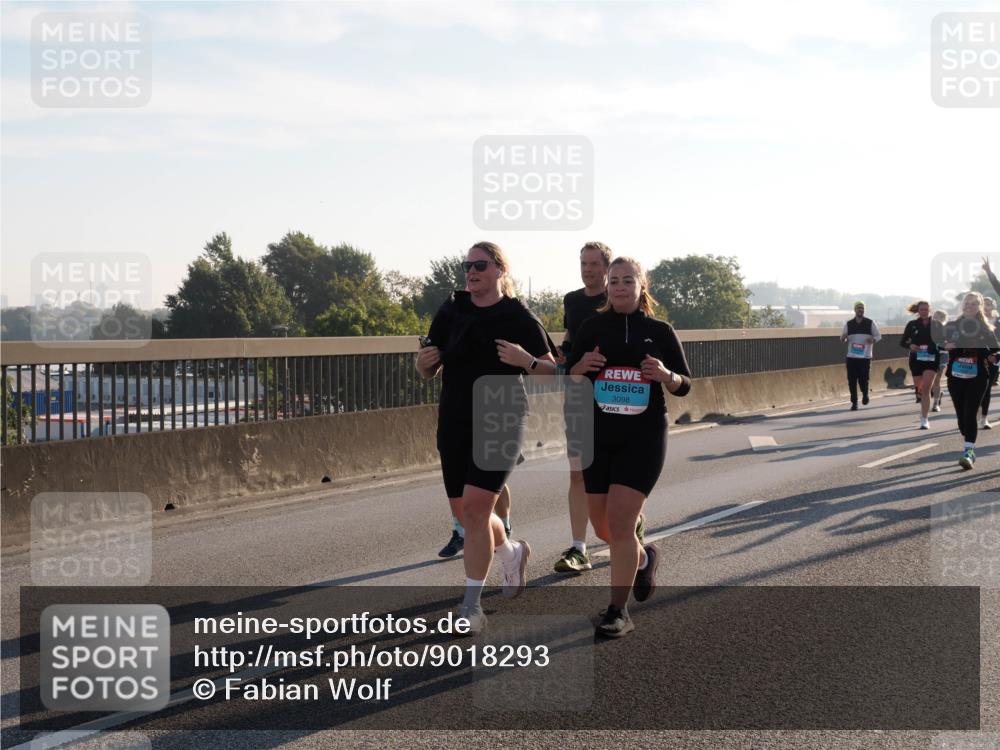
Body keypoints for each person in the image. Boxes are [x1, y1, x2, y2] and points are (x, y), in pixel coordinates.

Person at [415, 241, 558, 632]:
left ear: (500, 270)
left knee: (477, 511)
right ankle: (511, 551)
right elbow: (430, 366)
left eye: (480, 265)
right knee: (467, 514)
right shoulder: (451, 309)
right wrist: (424, 364)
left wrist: (525, 360)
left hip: (501, 415)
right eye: (467, 266)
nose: (471, 271)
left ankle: (471, 607)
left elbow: (551, 368)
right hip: (455, 417)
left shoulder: (516, 315)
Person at [567, 257, 691, 638]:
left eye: (627, 280)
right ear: (607, 286)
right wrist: (581, 365)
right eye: (614, 281)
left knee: (620, 522)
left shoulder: (658, 330)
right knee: (604, 528)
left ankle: (617, 610)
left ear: (641, 286)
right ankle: (642, 557)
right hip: (598, 435)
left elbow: (685, 383)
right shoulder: (591, 327)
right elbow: (569, 377)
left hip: (643, 437)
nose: (619, 287)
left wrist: (666, 375)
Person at [553, 241, 611, 574]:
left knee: (610, 476)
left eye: (593, 264)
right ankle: (579, 548)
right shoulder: (572, 301)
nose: (587, 269)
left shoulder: (617, 298)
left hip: (613, 398)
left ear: (606, 267)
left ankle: (631, 521)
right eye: (583, 263)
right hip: (577, 396)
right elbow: (570, 339)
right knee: (578, 474)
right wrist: (564, 354)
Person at [942, 292, 1000, 470]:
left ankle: (969, 451)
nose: (970, 306)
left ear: (980, 306)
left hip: (978, 377)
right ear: (962, 304)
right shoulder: (952, 326)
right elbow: (937, 343)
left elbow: (998, 353)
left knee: (970, 413)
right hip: (956, 376)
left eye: (975, 303)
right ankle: (969, 441)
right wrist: (945, 345)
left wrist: (993, 357)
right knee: (961, 418)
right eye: (968, 303)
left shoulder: (986, 328)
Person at [899, 301, 944, 430]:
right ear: (918, 311)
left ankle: (924, 419)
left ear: (930, 310)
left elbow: (943, 341)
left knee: (926, 388)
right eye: (921, 309)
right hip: (916, 360)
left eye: (926, 309)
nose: (924, 311)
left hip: (931, 359)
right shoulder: (912, 325)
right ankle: (923, 397)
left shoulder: (936, 325)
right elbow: (902, 342)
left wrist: (935, 345)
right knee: (920, 389)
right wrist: (910, 346)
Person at [840, 301, 881, 410]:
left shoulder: (870, 323)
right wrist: (843, 337)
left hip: (865, 357)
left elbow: (878, 336)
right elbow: (842, 339)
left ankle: (865, 394)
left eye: (862, 308)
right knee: (851, 380)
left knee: (863, 379)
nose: (860, 310)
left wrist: (873, 339)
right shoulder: (849, 324)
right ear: (855, 310)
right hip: (851, 357)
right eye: (858, 308)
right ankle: (854, 402)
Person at [980, 297, 1000, 430]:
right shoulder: (975, 321)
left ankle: (984, 418)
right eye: (983, 304)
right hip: (977, 357)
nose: (986, 307)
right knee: (977, 388)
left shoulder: (998, 321)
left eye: (988, 304)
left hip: (994, 357)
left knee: (986, 388)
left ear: (993, 306)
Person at [930, 309, 950, 413]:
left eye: (939, 317)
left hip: (942, 355)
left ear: (943, 319)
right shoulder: (928, 327)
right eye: (934, 316)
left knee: (937, 378)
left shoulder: (946, 329)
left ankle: (935, 403)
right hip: (929, 355)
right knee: (929, 380)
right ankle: (937, 393)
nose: (935, 319)